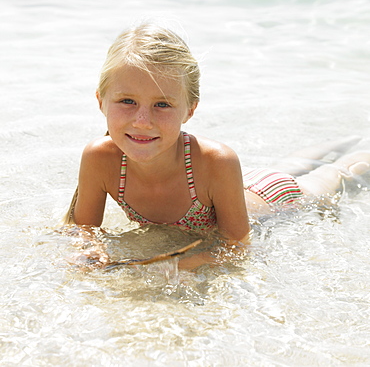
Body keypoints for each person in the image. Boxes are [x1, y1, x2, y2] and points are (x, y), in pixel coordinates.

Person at [64, 23, 370, 269]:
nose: (143, 120)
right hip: (237, 186)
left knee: (335, 174)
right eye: (127, 101)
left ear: (190, 109)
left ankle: (357, 142)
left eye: (162, 104)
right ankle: (343, 138)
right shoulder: (99, 157)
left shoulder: (217, 161)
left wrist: (172, 267)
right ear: (101, 101)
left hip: (273, 194)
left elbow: (237, 246)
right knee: (291, 162)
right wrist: (88, 252)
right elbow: (85, 231)